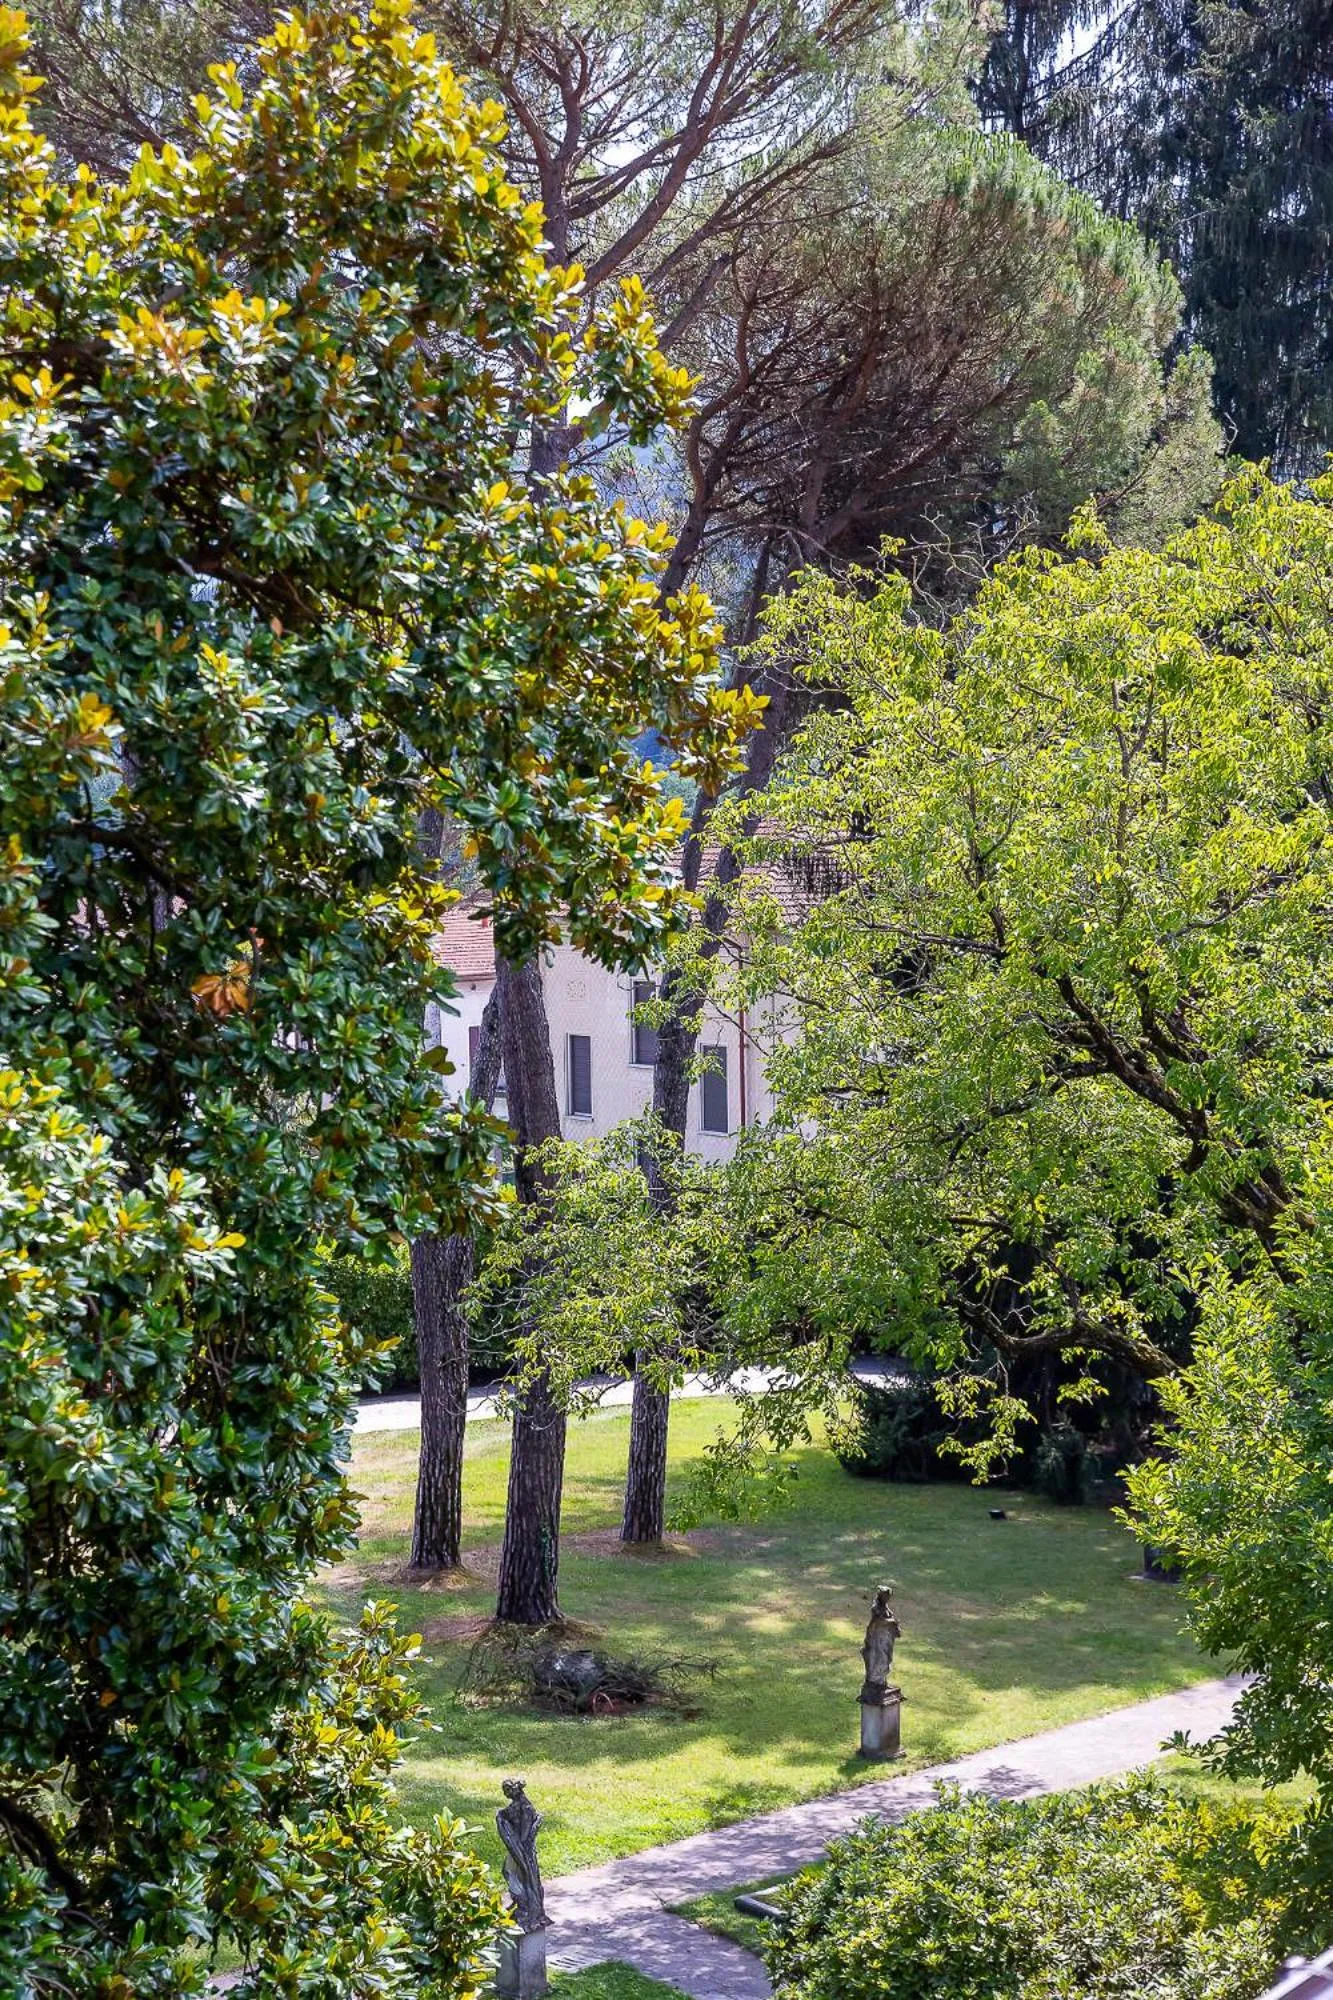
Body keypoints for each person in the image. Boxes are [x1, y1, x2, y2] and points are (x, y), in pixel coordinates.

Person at [497, 1776, 547, 1930]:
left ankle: (525, 1907)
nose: (505, 1794)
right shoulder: (516, 1806)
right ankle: (519, 1903)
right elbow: (506, 1814)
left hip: (522, 1849)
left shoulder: (525, 1808)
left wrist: (519, 1848)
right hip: (517, 1848)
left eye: (507, 1790)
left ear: (514, 1790)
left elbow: (525, 1834)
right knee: (509, 1872)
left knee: (514, 1874)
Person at [860, 1584, 901, 1699]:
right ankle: (874, 1682)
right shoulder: (876, 1608)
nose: (887, 1599)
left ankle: (881, 1681)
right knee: (878, 1658)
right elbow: (877, 1621)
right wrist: (891, 1622)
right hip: (877, 1639)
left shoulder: (886, 1608)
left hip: (886, 1639)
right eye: (885, 1597)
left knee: (885, 1658)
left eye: (888, 1597)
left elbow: (890, 1621)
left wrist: (895, 1627)